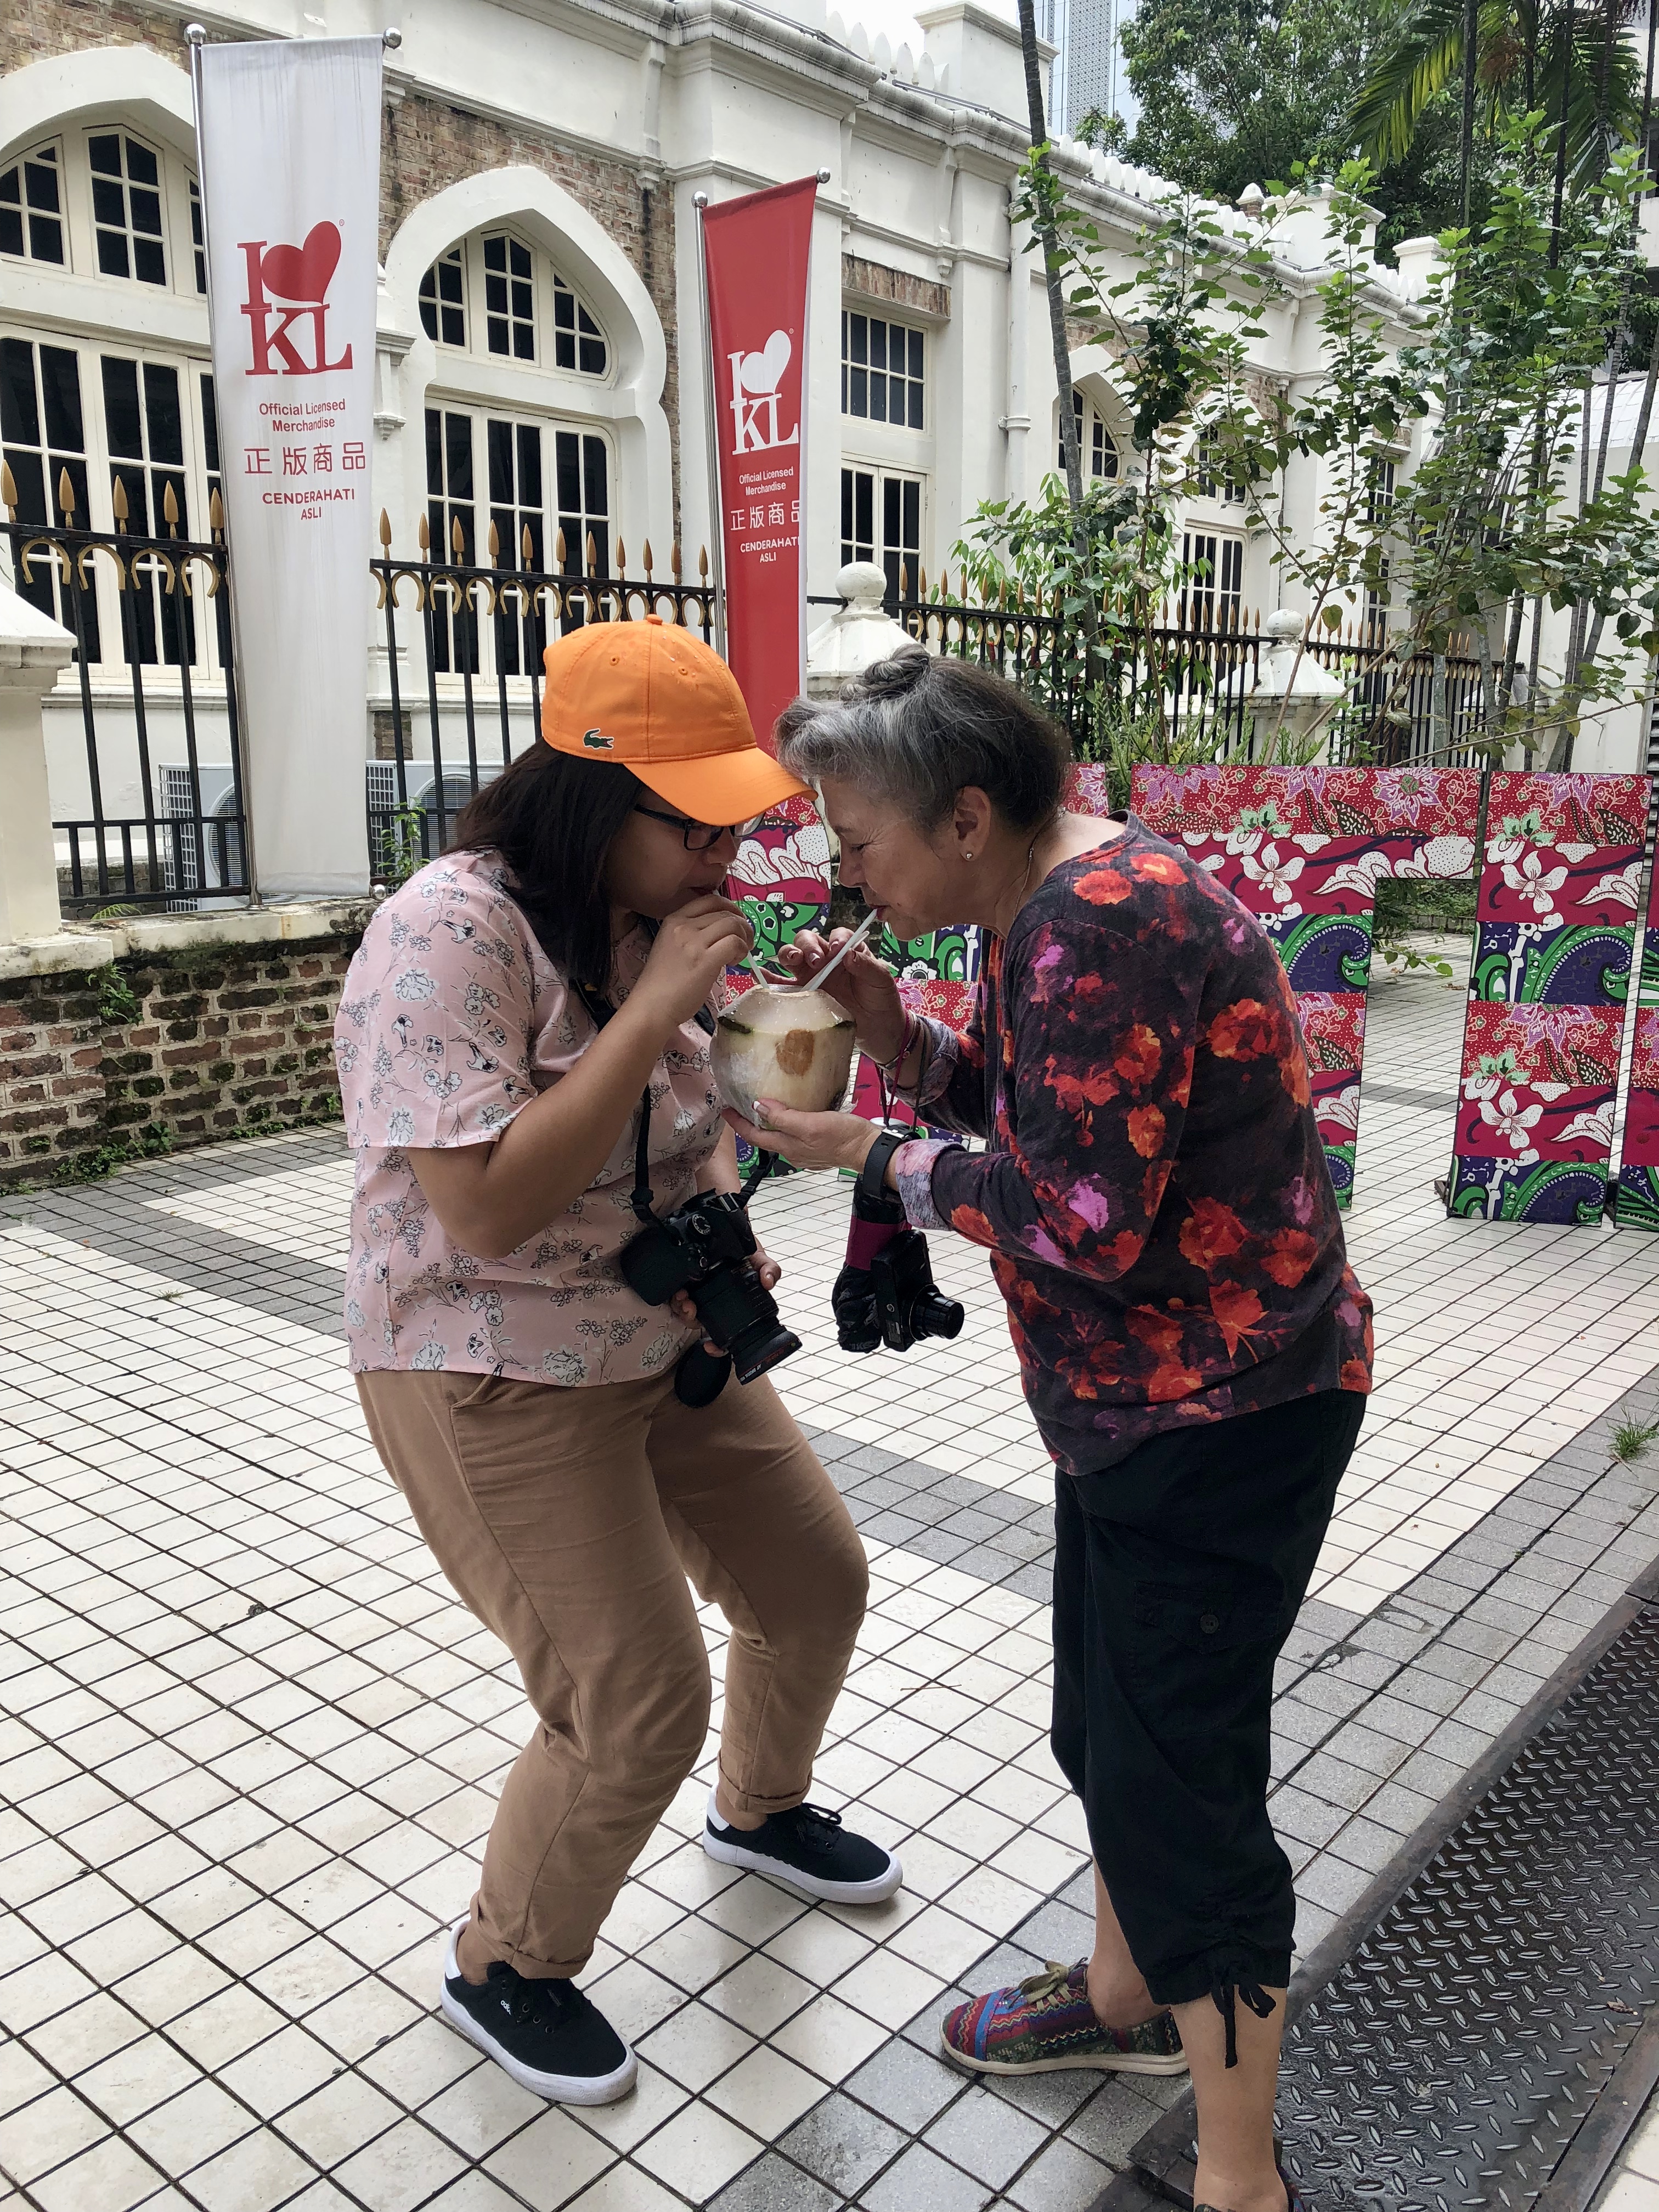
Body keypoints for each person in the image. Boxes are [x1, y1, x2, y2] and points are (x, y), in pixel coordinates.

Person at [726, 646, 1373, 2212]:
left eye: (859, 838)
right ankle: (1126, 2001)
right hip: (1147, 1412)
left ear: (963, 816)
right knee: (1110, 1740)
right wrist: (899, 1039)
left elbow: (1082, 1216)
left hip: (1219, 1415)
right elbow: (1050, 1119)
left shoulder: (1102, 919)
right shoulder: (1048, 899)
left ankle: (1241, 2179)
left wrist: (866, 1154)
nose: (847, 874)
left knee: (1184, 1798)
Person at [334, 614, 900, 2108]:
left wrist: (745, 1164)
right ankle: (506, 1962)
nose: (728, 850)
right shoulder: (449, 932)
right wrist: (650, 1010)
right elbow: (485, 1209)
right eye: (694, 823)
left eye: (737, 818)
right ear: (592, 800)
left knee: (814, 1583)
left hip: (663, 1328)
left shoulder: (659, 916)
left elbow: (701, 1110)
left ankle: (759, 1812)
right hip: (489, 1358)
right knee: (633, 1698)